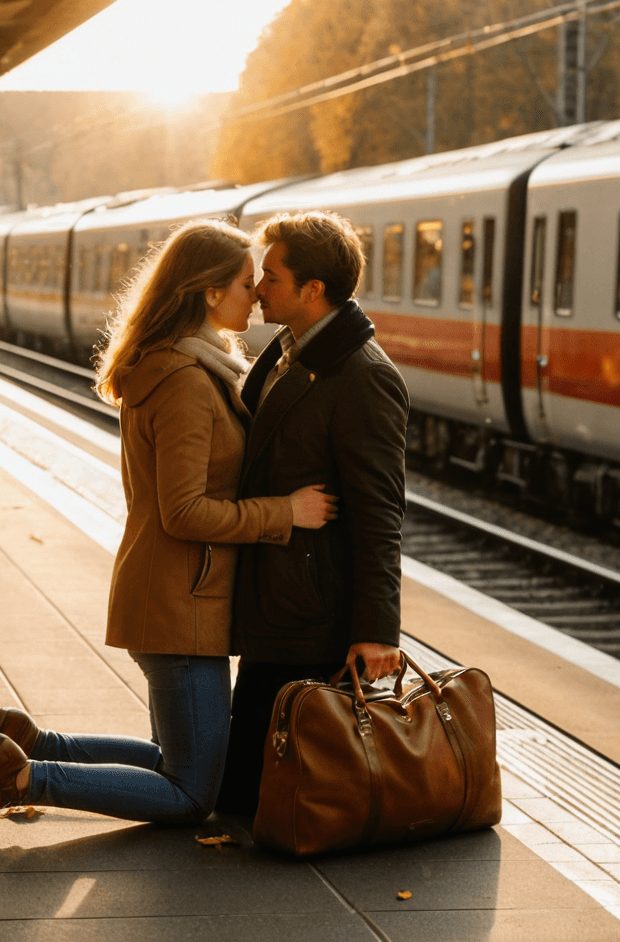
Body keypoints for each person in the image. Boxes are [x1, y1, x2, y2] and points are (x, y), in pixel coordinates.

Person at [0, 219, 338, 836]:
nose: (255, 294)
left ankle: (31, 741)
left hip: (179, 595)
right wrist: (283, 512)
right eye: (241, 282)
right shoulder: (183, 381)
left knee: (173, 761)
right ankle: (20, 776)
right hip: (181, 604)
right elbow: (184, 510)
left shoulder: (192, 365)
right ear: (207, 292)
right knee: (190, 791)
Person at [216, 209, 409, 821]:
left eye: (270, 276)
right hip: (278, 597)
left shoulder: (363, 376)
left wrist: (378, 630)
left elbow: (380, 512)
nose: (257, 287)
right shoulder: (289, 350)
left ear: (312, 289)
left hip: (310, 611)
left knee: (249, 785)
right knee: (241, 782)